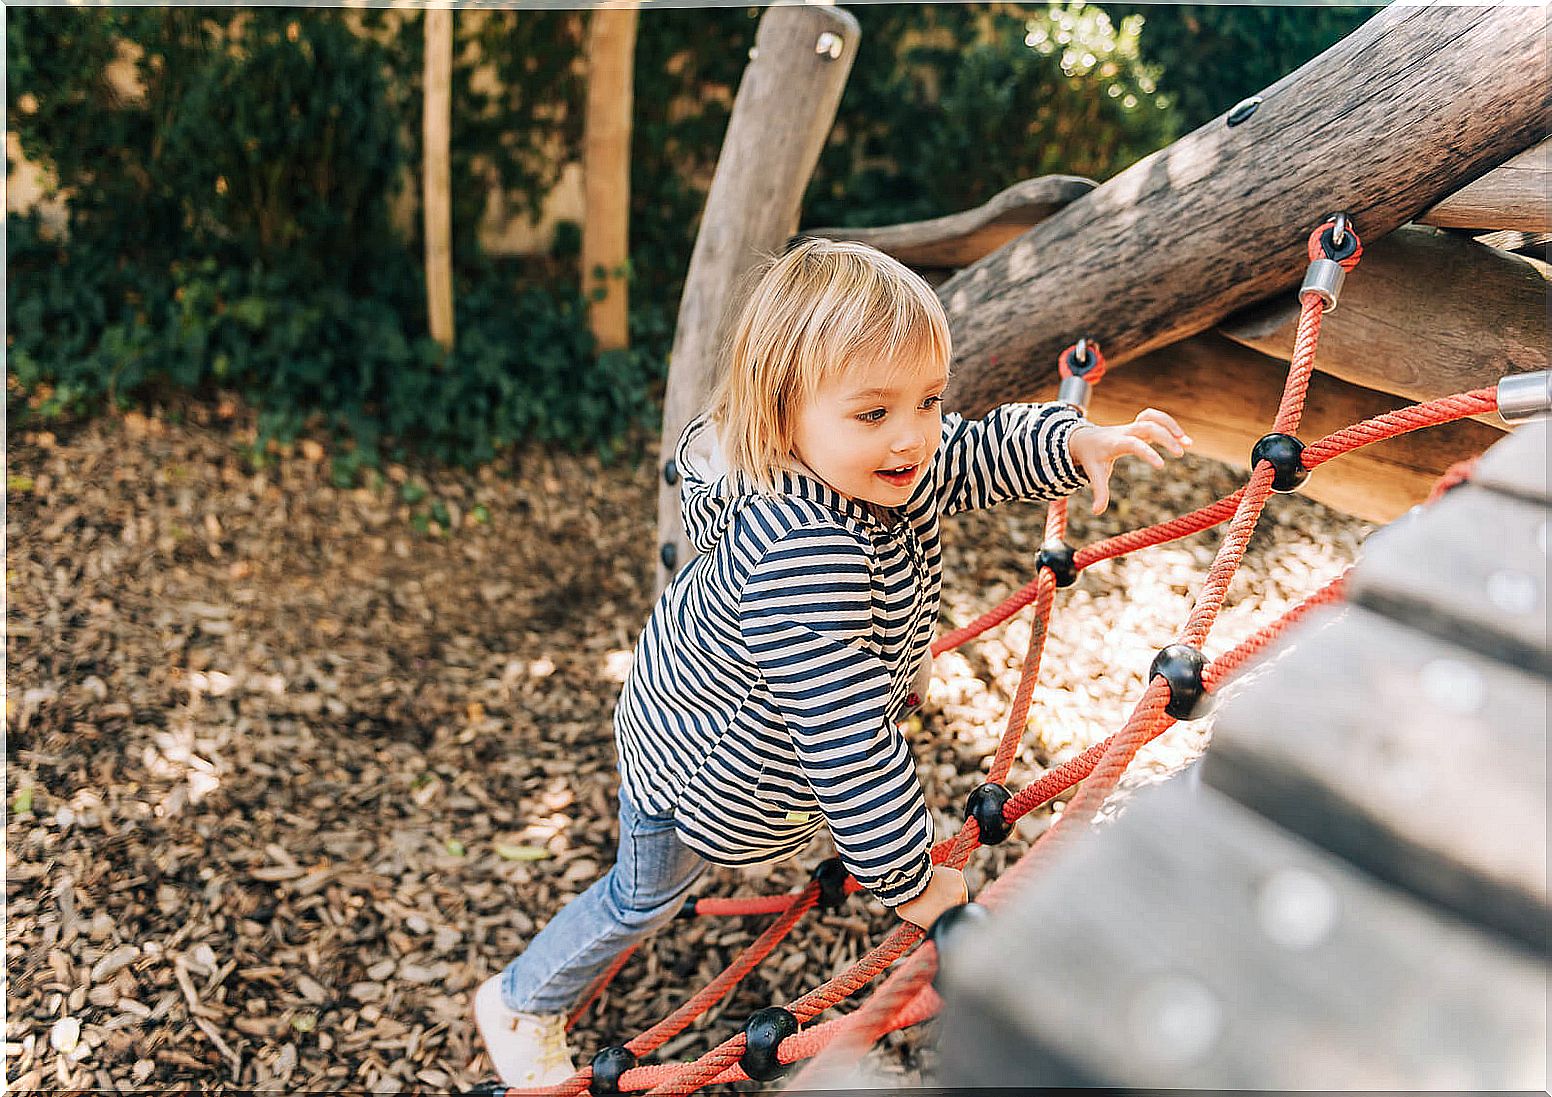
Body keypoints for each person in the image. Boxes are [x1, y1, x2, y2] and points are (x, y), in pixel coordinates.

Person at [472, 238, 1191, 1087]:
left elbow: (969, 449)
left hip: (749, 734)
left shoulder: (875, 463)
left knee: (774, 810)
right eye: (875, 413)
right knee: (644, 893)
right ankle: (522, 997)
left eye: (927, 398)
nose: (914, 435)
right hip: (691, 769)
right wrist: (907, 874)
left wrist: (1071, 442)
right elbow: (843, 734)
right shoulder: (798, 557)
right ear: (782, 416)